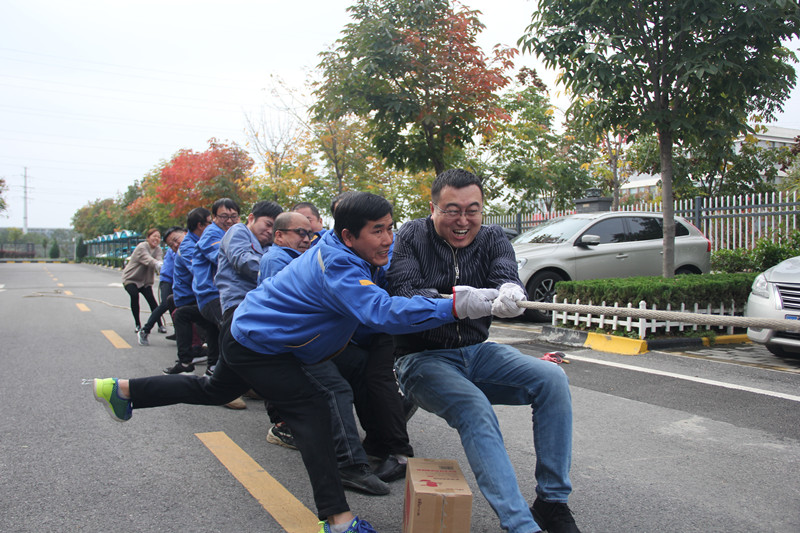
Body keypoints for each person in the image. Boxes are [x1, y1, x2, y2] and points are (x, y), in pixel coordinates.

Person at [92, 191, 498, 533]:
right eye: (379, 230)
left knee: (212, 389)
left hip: (257, 336)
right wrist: (455, 307)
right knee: (313, 411)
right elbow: (381, 312)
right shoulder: (338, 263)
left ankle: (122, 390)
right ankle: (338, 520)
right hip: (257, 344)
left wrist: (479, 292)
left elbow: (397, 275)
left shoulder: (355, 253)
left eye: (390, 228)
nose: (388, 238)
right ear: (348, 235)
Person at [386, 169, 581, 533]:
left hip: (479, 351)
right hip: (421, 359)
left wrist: (509, 289)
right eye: (452, 210)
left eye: (472, 210)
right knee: (474, 407)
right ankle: (521, 525)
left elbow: (506, 272)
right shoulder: (411, 234)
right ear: (433, 207)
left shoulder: (492, 237)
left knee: (552, 377)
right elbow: (403, 291)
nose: (463, 221)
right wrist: (460, 301)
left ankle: (552, 502)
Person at [260, 211, 388, 495]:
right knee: (334, 389)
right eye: (299, 233)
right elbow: (290, 312)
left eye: (309, 233)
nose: (306, 239)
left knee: (361, 364)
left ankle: (380, 440)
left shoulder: (319, 254)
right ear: (279, 235)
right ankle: (348, 465)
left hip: (312, 340)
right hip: (289, 345)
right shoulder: (275, 259)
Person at [192, 198, 240, 374]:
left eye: (234, 216)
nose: (229, 221)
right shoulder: (212, 234)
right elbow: (224, 258)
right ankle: (225, 380)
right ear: (213, 217)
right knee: (232, 334)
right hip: (212, 295)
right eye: (224, 216)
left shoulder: (229, 233)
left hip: (218, 293)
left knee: (216, 336)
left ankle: (213, 371)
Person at [216, 200, 283, 321]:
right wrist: (278, 270)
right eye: (268, 224)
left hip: (260, 304)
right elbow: (243, 260)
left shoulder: (270, 245)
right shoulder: (239, 231)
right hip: (238, 304)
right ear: (251, 218)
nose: (270, 231)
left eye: (274, 228)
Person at [137, 226, 183, 345]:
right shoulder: (176, 250)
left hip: (176, 281)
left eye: (158, 236)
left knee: (176, 307)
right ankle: (145, 330)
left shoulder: (177, 247)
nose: (175, 243)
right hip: (167, 280)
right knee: (166, 303)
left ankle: (179, 333)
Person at [121, 228, 164, 333]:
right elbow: (148, 259)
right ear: (148, 238)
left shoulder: (158, 249)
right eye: (154, 236)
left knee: (152, 301)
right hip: (131, 278)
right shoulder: (142, 247)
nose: (156, 239)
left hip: (145, 281)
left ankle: (160, 325)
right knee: (134, 296)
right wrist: (158, 264)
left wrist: (162, 266)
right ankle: (137, 324)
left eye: (158, 237)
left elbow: (159, 260)